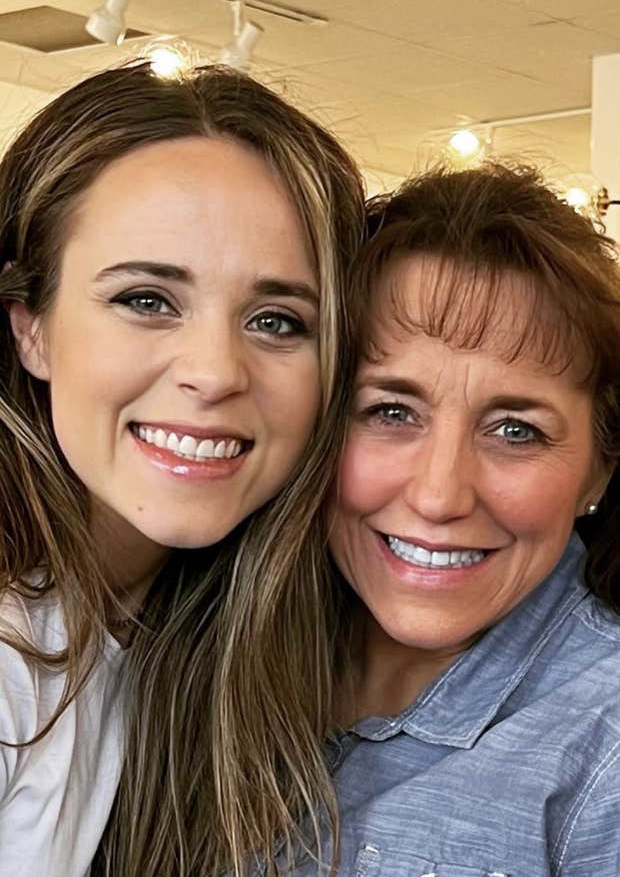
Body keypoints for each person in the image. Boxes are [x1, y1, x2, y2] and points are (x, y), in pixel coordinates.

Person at [0, 62, 364, 877]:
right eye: (146, 300)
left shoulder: (193, 628)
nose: (216, 371)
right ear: (32, 330)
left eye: (277, 320)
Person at [317, 163, 620, 876]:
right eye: (391, 412)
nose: (438, 495)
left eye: (516, 430)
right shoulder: (203, 646)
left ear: (600, 469)